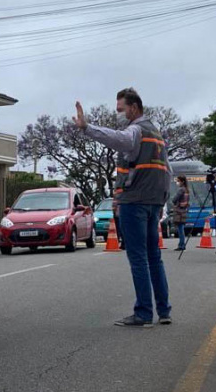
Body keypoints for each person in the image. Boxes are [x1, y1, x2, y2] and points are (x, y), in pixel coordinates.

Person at [74, 88, 171, 327]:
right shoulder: (156, 133)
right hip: (153, 201)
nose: (118, 114)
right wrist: (162, 201)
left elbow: (118, 139)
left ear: (134, 108)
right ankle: (164, 311)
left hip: (135, 201)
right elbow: (167, 170)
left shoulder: (136, 130)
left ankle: (144, 313)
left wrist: (87, 128)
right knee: (154, 257)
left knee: (138, 258)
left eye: (120, 109)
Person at [171, 175, 190, 251]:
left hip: (179, 211)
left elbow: (174, 199)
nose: (177, 182)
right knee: (181, 227)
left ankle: (181, 245)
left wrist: (174, 202)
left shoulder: (181, 190)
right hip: (184, 210)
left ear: (182, 181)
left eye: (178, 181)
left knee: (180, 229)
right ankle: (182, 244)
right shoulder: (187, 190)